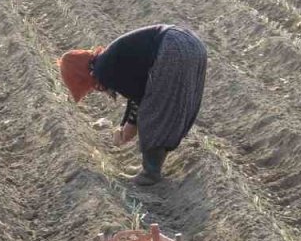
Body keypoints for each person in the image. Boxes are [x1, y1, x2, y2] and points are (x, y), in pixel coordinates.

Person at [59, 25, 207, 186]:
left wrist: (128, 128)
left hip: (173, 47)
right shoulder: (107, 60)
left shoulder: (103, 69)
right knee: (169, 106)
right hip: (193, 44)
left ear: (80, 75)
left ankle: (150, 172)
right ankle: (151, 165)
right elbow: (137, 91)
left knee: (153, 110)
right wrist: (125, 125)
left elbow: (140, 97)